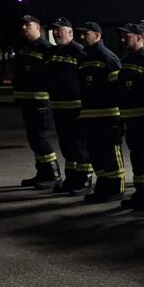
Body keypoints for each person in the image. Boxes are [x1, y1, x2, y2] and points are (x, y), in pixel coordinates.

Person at [75, 21, 125, 203]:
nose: (82, 37)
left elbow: (118, 89)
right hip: (90, 116)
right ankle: (103, 187)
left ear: (97, 35)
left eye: (86, 34)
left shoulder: (107, 57)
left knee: (110, 154)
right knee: (96, 154)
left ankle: (116, 189)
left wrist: (119, 117)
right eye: (81, 34)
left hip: (108, 116)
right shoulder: (85, 58)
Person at [116, 22, 144, 211]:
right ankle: (141, 192)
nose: (123, 40)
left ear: (139, 38)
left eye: (127, 36)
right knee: (137, 157)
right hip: (131, 119)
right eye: (122, 36)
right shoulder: (126, 60)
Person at [45, 18, 91, 194]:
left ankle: (84, 179)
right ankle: (71, 178)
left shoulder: (79, 52)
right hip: (59, 107)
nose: (56, 33)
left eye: (60, 30)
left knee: (79, 145)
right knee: (66, 145)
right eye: (54, 30)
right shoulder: (51, 52)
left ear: (70, 32)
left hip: (76, 108)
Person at [13, 15, 60, 188]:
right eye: (23, 25)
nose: (24, 28)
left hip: (40, 102)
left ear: (38, 27)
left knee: (40, 138)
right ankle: (42, 173)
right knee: (33, 138)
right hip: (27, 101)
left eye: (28, 25)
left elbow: (52, 76)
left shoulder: (46, 48)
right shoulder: (23, 47)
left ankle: (53, 174)